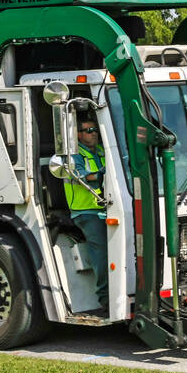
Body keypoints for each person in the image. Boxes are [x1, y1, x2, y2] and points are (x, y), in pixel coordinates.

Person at [66, 114, 108, 312]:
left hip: (105, 207)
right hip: (86, 212)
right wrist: (105, 172)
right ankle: (105, 298)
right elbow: (87, 177)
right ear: (78, 134)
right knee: (102, 252)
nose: (94, 134)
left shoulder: (102, 150)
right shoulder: (73, 156)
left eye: (95, 130)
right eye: (88, 130)